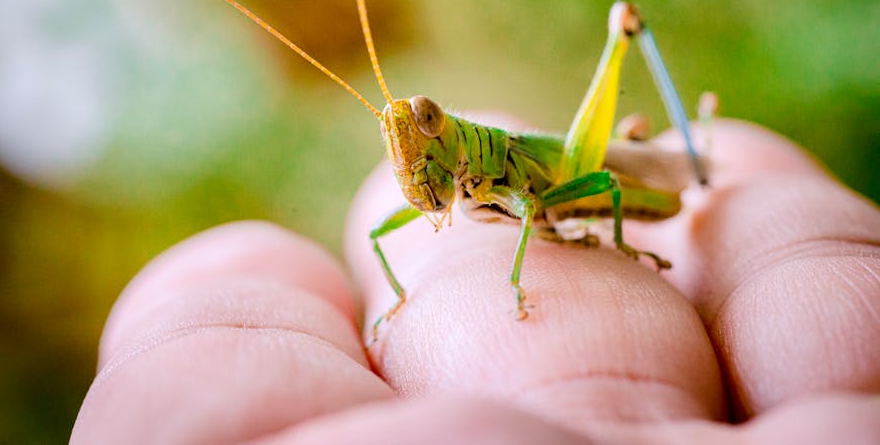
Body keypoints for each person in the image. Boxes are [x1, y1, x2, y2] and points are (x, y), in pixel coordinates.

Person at [71, 120, 880, 444]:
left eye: (419, 129)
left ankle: (679, 154)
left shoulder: (494, 158)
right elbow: (410, 230)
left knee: (583, 189)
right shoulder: (445, 168)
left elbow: (554, 202)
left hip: (598, 178)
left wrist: (618, 251)